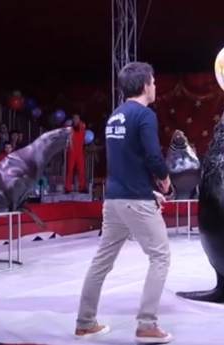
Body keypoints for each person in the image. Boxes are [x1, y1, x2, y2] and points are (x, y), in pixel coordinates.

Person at [75, 62, 174, 344]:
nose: (155, 86)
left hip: (114, 200)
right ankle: (146, 325)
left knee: (101, 262)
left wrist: (147, 189)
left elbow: (124, 161)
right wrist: (164, 182)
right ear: (144, 85)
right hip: (135, 202)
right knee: (160, 257)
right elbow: (153, 156)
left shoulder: (115, 116)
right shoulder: (144, 115)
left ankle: (84, 323)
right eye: (153, 82)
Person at [65, 114, 87, 193]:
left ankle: (82, 187)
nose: (76, 120)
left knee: (81, 170)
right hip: (72, 151)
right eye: (74, 119)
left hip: (79, 152)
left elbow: (81, 129)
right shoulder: (70, 128)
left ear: (79, 119)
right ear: (73, 119)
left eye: (77, 118)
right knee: (70, 170)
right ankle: (68, 188)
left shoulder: (82, 126)